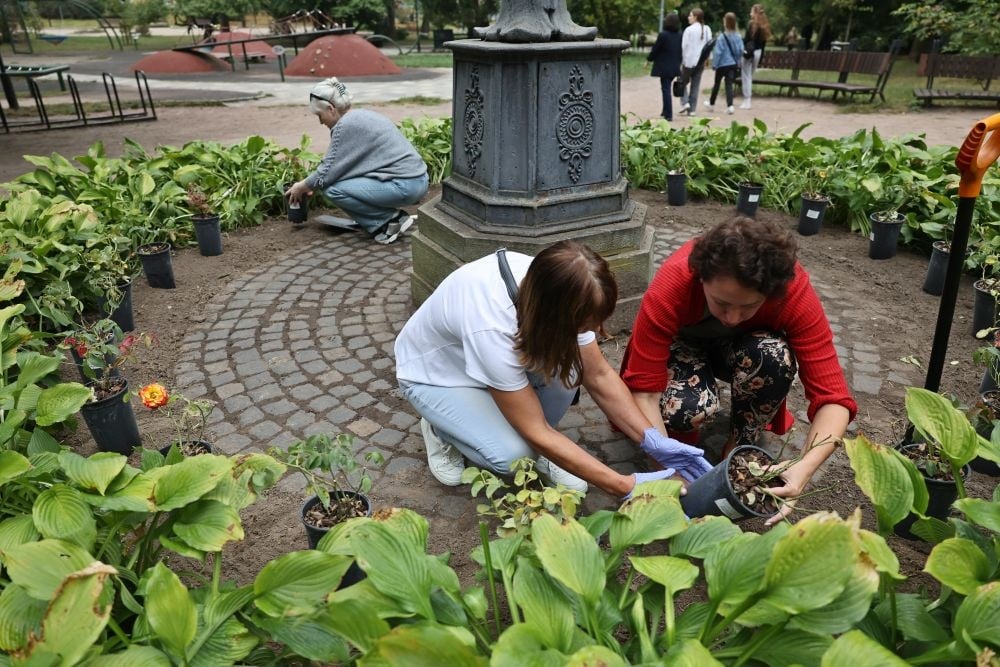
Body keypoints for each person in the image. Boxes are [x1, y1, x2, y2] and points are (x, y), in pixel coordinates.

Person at [395, 241, 712, 498]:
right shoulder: (491, 327)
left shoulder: (562, 285)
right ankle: (440, 426)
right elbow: (535, 427)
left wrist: (652, 439)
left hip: (490, 363)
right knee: (514, 457)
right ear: (556, 317)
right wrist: (624, 484)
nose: (595, 331)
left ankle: (538, 442)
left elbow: (599, 376)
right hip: (439, 378)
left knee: (571, 371)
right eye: (584, 326)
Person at [619, 216, 857, 525]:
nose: (732, 318)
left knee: (773, 356)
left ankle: (741, 444)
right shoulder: (674, 281)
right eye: (721, 303)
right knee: (686, 405)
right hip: (684, 347)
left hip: (744, 350)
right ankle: (682, 448)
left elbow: (834, 398)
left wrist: (804, 465)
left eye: (748, 307)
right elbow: (645, 390)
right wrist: (669, 471)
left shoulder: (792, 289)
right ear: (701, 278)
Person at [286, 78, 429, 245]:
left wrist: (302, 186)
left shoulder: (345, 126)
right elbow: (340, 168)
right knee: (336, 183)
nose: (320, 121)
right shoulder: (362, 115)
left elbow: (326, 173)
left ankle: (387, 221)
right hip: (416, 180)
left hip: (405, 186)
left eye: (320, 115)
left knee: (332, 189)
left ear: (331, 109)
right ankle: (383, 218)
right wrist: (310, 184)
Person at [647, 12, 683, 121]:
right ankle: (665, 110)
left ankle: (669, 114)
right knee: (666, 88)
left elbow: (655, 49)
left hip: (664, 67)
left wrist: (649, 60)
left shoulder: (663, 35)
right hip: (675, 66)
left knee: (666, 89)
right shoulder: (680, 35)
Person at [704, 13, 743, 115]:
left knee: (717, 84)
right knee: (729, 84)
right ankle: (730, 106)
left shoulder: (722, 37)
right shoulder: (738, 36)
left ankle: (712, 103)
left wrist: (715, 64)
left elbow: (718, 52)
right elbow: (740, 50)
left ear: (726, 22)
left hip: (722, 64)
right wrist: (737, 60)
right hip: (732, 64)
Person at [679, 8, 712, 116]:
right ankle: (692, 110)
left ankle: (685, 103)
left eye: (690, 15)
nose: (688, 17)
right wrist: (707, 60)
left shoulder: (689, 30)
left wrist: (682, 60)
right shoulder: (707, 29)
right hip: (700, 62)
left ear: (695, 17)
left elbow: (684, 46)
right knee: (695, 85)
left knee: (681, 82)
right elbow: (709, 46)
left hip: (688, 61)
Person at [741, 4, 771, 110]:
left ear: (755, 13)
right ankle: (747, 99)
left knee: (746, 76)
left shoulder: (751, 25)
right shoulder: (764, 26)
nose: (750, 13)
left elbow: (746, 40)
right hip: (758, 53)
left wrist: (743, 50)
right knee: (749, 76)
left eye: (751, 11)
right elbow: (763, 45)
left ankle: (747, 100)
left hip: (749, 52)